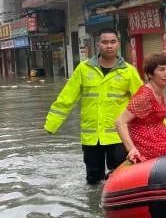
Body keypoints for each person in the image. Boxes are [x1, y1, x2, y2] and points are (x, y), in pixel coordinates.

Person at [44, 28, 142, 185]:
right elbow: (66, 99)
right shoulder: (84, 69)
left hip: (118, 135)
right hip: (92, 136)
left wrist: (161, 127)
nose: (109, 46)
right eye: (104, 42)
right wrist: (51, 124)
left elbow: (142, 101)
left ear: (118, 44)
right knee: (93, 179)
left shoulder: (128, 72)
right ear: (98, 45)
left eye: (112, 42)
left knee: (120, 175)